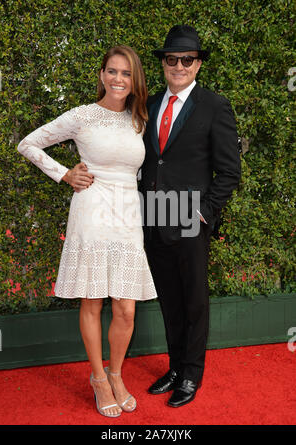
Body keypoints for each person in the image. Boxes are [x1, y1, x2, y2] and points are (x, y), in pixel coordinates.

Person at [17, 45, 157, 418]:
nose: (118, 79)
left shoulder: (139, 119)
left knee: (126, 308)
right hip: (91, 210)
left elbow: (139, 169)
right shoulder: (82, 116)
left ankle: (115, 373)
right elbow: (28, 143)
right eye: (112, 71)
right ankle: (98, 378)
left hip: (128, 214)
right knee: (93, 299)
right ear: (101, 75)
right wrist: (64, 173)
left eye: (126, 74)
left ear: (134, 80)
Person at [140, 25, 241, 407]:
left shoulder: (215, 106)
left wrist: (204, 212)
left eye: (187, 59)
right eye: (172, 59)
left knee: (194, 301)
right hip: (153, 215)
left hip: (189, 215)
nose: (178, 66)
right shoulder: (148, 105)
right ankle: (176, 366)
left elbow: (229, 171)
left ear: (197, 65)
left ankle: (191, 375)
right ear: (164, 64)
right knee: (169, 299)